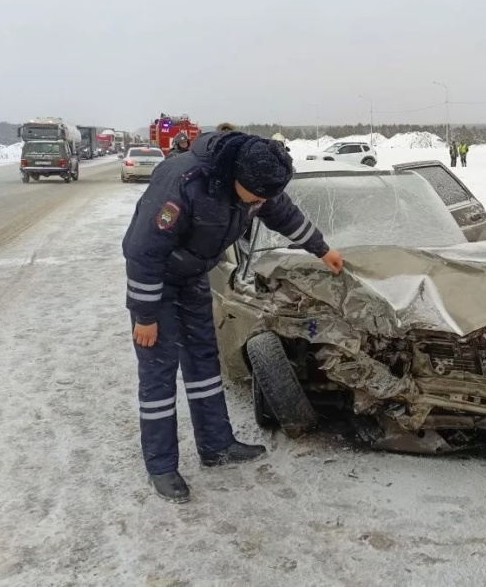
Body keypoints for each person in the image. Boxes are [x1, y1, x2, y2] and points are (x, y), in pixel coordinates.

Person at [122, 130, 344, 502]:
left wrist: (321, 250)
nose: (259, 203)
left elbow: (283, 213)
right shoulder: (184, 184)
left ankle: (216, 446)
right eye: (255, 197)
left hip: (193, 275)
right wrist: (144, 314)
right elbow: (142, 251)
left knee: (204, 363)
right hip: (157, 282)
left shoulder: (256, 182)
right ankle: (161, 467)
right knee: (159, 375)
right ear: (234, 177)